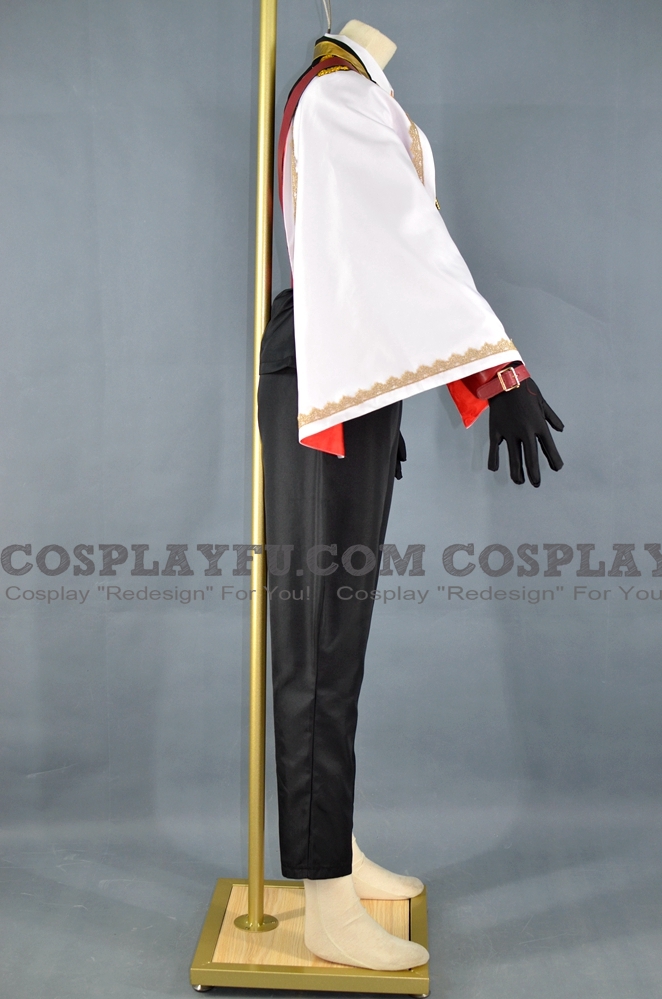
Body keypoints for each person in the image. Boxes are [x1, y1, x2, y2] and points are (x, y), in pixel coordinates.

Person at [258, 19, 563, 971]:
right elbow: (405, 241)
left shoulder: (352, 92)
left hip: (347, 368)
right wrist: (499, 372)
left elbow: (370, 254)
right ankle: (322, 898)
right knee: (318, 637)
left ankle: (334, 846)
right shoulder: (341, 95)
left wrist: (386, 396)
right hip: (325, 371)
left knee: (338, 630)